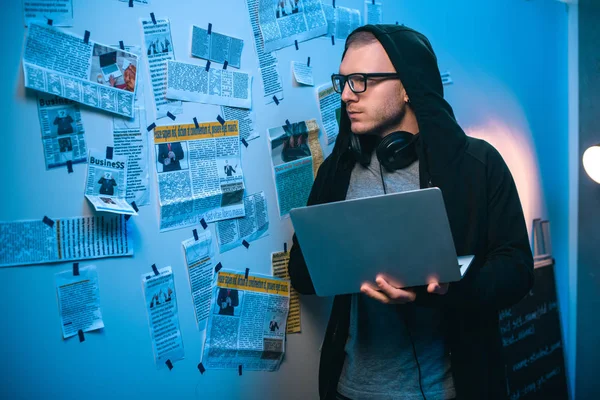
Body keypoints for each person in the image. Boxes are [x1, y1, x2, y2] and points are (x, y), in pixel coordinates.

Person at [288, 25, 534, 400]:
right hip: (351, 390)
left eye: (361, 81)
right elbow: (303, 275)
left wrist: (449, 289)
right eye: (343, 81)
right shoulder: (337, 171)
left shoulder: (477, 165)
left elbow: (517, 270)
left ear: (407, 87)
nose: (346, 96)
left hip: (453, 389)